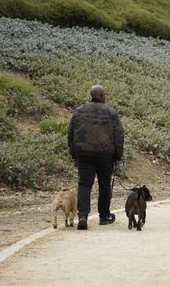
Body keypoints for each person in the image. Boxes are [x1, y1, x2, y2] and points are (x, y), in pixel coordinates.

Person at [68, 85, 124, 230]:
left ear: (91, 95)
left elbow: (71, 134)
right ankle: (104, 216)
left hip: (84, 153)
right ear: (102, 96)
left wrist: (74, 153)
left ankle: (83, 216)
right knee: (104, 185)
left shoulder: (79, 111)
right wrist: (118, 156)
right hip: (105, 155)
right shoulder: (111, 112)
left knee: (84, 185)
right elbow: (118, 135)